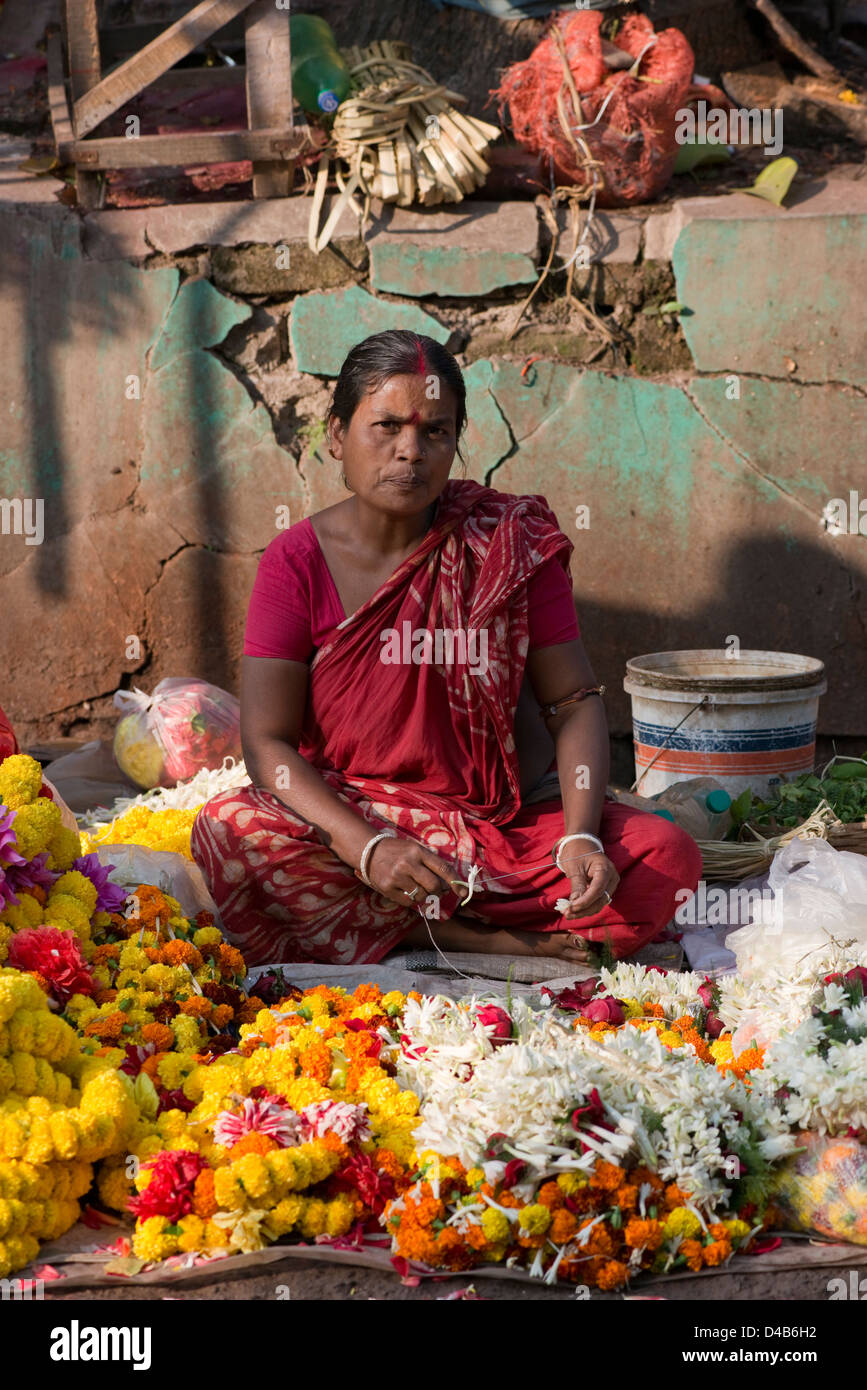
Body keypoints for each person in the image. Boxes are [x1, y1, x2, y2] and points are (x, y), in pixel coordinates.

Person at [191, 330, 701, 966]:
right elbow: (267, 745)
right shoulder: (295, 563)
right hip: (358, 816)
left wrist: (577, 837)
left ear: (456, 442)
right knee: (231, 828)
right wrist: (367, 847)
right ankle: (474, 937)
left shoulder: (509, 545)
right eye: (386, 427)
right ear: (334, 435)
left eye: (435, 431)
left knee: (666, 857)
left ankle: (414, 922)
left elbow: (572, 702)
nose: (411, 451)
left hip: (500, 829)